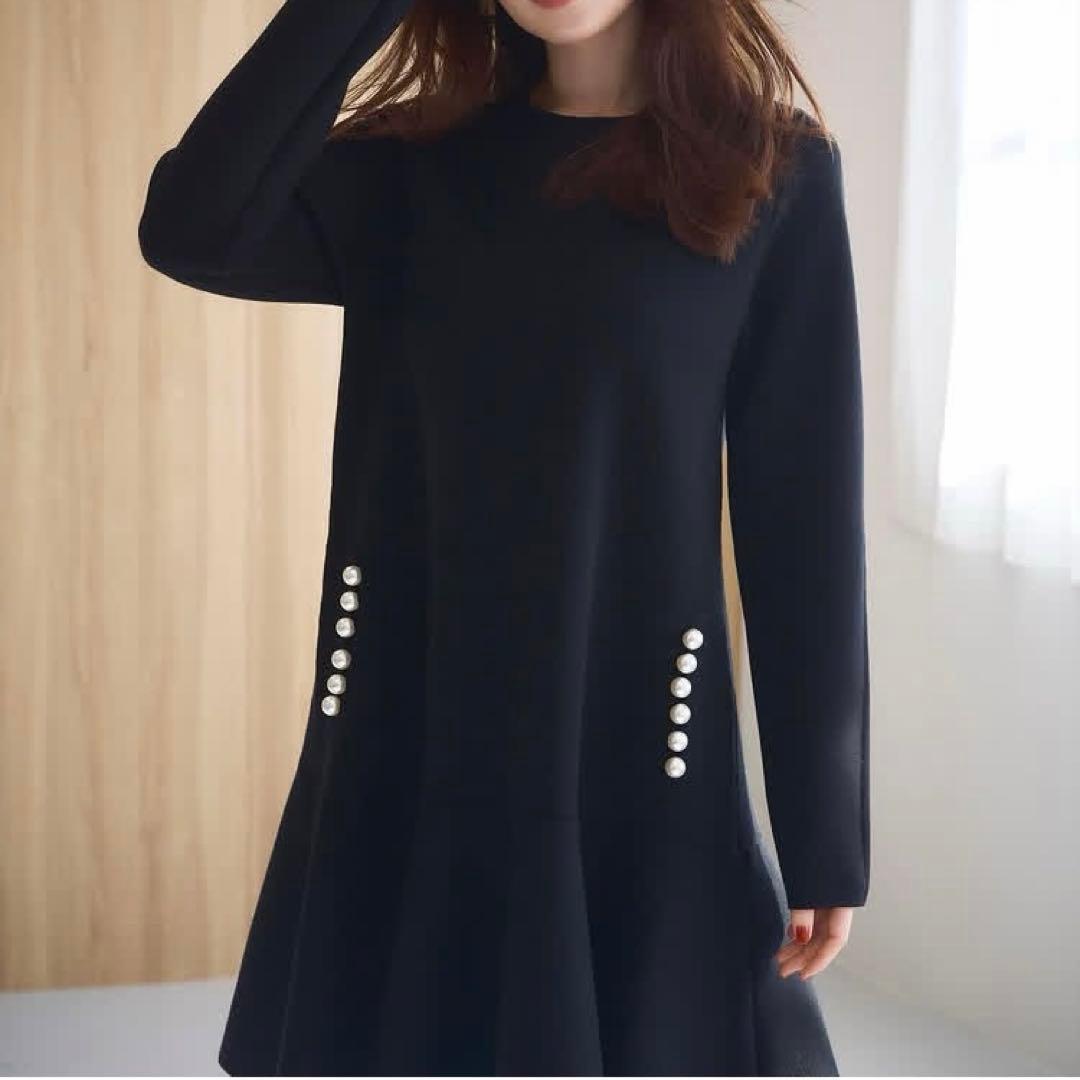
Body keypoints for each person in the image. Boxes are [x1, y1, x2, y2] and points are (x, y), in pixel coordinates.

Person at [137, 0, 870, 1074]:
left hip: (633, 748)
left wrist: (822, 831)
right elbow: (191, 228)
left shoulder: (772, 173)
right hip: (411, 726)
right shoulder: (414, 165)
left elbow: (803, 518)